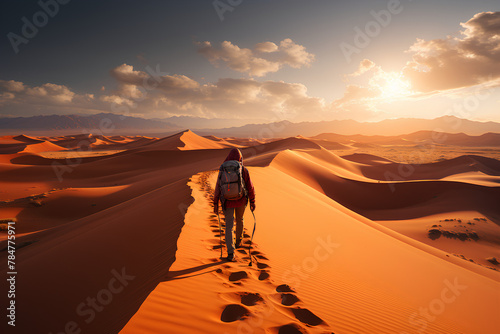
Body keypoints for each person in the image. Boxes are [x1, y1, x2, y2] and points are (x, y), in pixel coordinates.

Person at [213, 148, 256, 261]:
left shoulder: (222, 170)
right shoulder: (243, 170)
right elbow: (250, 187)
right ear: (240, 158)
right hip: (241, 200)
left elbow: (217, 187)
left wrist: (215, 203)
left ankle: (230, 252)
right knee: (240, 220)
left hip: (227, 201)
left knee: (228, 226)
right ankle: (238, 242)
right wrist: (252, 201)